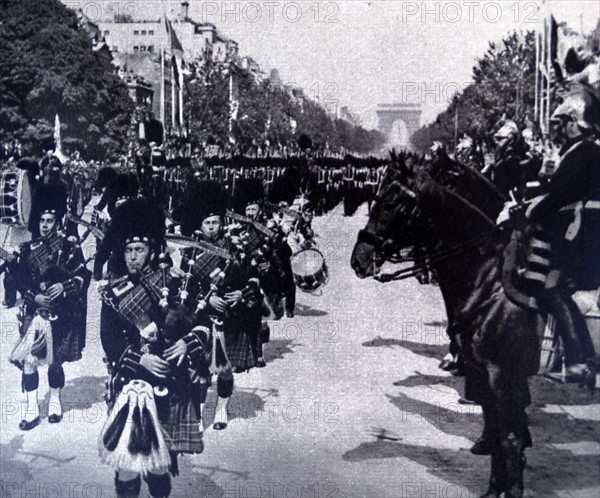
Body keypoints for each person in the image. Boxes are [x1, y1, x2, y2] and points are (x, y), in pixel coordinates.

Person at [98, 197, 206, 498]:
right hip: (131, 383)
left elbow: (201, 323)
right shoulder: (113, 293)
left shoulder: (174, 283)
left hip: (168, 384)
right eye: (128, 250)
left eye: (140, 250)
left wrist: (187, 342)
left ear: (153, 249)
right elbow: (109, 338)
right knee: (128, 464)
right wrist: (140, 361)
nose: (133, 257)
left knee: (160, 465)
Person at [527, 86, 600, 381]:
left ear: (574, 123)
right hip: (579, 230)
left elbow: (560, 196)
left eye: (559, 123)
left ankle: (578, 360)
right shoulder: (580, 151)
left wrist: (531, 212)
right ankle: (581, 359)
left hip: (585, 233)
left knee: (552, 289)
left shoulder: (584, 153)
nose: (555, 130)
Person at [177, 181, 262, 430]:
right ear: (199, 225)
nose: (212, 228)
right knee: (201, 370)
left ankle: (222, 409)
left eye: (215, 222)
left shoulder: (236, 247)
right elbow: (183, 290)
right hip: (203, 317)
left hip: (231, 316)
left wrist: (241, 293)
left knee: (225, 369)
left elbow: (254, 278)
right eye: (207, 223)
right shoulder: (190, 253)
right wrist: (205, 298)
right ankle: (200, 413)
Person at [9, 183, 90, 430]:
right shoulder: (27, 248)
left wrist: (64, 287)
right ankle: (32, 409)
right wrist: (34, 297)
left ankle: (55, 400)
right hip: (35, 314)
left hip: (62, 313)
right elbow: (20, 282)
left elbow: (83, 275)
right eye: (42, 220)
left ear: (58, 221)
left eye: (50, 220)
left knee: (55, 363)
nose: (45, 224)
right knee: (30, 361)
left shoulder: (70, 246)